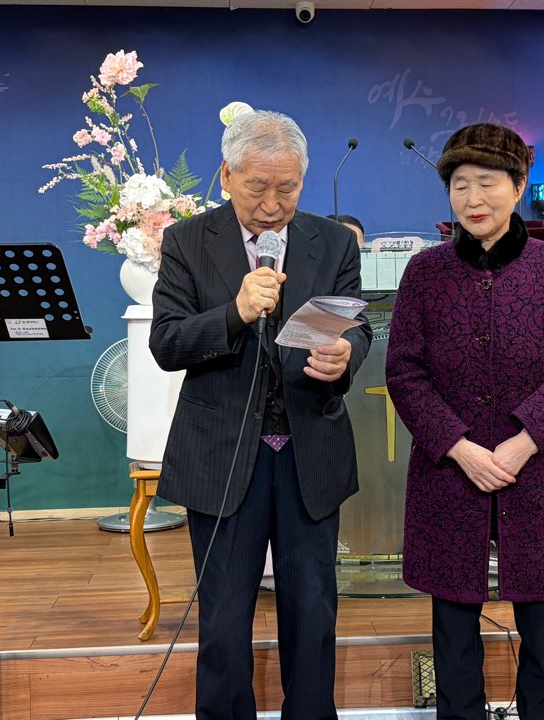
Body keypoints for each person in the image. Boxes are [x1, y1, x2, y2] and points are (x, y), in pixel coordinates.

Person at [150, 110, 371, 720]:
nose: (272, 206)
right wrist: (236, 312)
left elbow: (356, 325)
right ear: (226, 176)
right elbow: (166, 344)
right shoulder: (188, 242)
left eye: (287, 189)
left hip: (310, 451)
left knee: (313, 613)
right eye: (257, 188)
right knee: (223, 619)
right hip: (221, 456)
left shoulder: (333, 241)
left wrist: (346, 355)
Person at [385, 123, 544, 720]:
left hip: (539, 467)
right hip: (450, 471)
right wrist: (460, 447)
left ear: (519, 185)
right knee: (453, 632)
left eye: (487, 183)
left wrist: (522, 443)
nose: (473, 199)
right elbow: (404, 372)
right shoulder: (425, 272)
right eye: (460, 185)